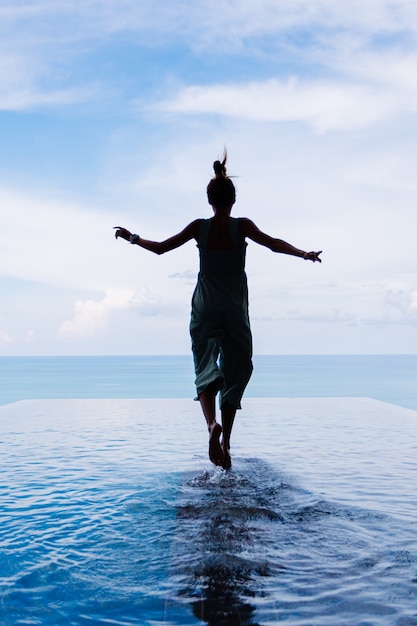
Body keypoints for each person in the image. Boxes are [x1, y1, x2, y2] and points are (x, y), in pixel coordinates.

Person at [114, 153, 321, 470]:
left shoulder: (200, 227)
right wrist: (303, 254)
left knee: (205, 364)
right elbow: (274, 243)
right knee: (236, 369)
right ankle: (226, 443)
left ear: (209, 201)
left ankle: (211, 426)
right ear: (233, 200)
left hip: (206, 306)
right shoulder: (243, 227)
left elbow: (160, 249)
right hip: (235, 309)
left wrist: (132, 237)